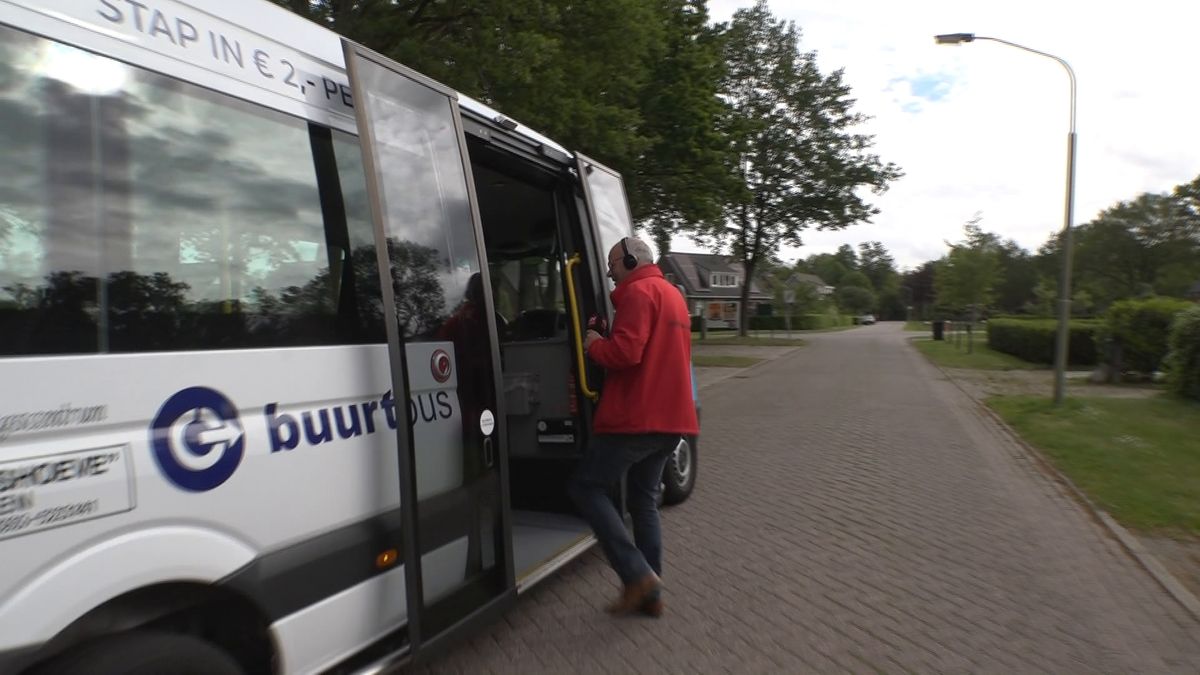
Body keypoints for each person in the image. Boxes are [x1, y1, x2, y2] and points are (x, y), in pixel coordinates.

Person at [568, 236, 698, 618]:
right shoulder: (673, 294)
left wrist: (593, 343)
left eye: (612, 263)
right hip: (672, 421)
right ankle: (651, 594)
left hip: (636, 418)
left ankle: (637, 575)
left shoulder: (638, 294)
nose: (608, 272)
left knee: (586, 486)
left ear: (629, 260)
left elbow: (626, 353)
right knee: (644, 501)